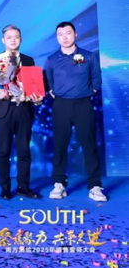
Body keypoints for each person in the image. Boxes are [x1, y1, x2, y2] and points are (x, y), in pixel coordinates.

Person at [45, 21, 106, 202]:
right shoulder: (51, 60)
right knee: (59, 144)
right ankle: (59, 184)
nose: (64, 37)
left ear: (75, 34)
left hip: (83, 104)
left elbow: (96, 79)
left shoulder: (89, 56)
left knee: (89, 144)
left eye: (68, 33)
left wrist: (89, 92)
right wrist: (54, 91)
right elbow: (49, 81)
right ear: (57, 38)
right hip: (61, 105)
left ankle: (95, 186)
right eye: (60, 34)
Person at [0, 24, 42, 200]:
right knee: (3, 151)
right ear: (3, 40)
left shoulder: (28, 60)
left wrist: (37, 97)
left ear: (21, 39)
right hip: (4, 109)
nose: (13, 40)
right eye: (9, 37)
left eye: (16, 37)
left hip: (24, 109)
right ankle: (5, 188)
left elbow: (34, 82)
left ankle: (23, 187)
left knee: (24, 151)